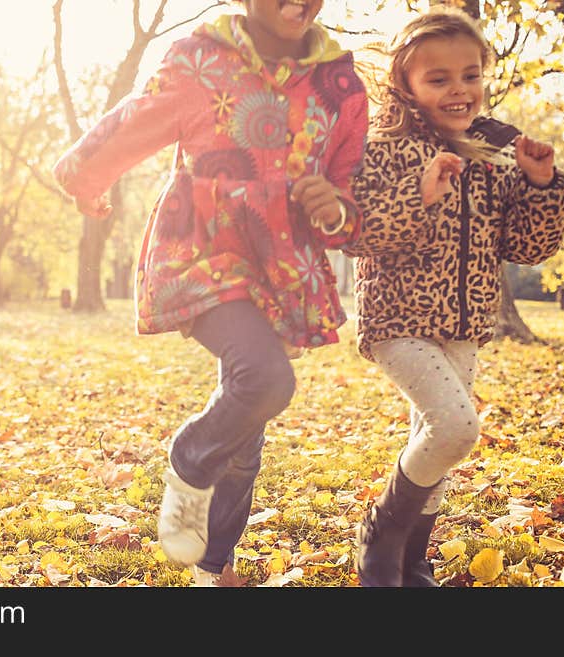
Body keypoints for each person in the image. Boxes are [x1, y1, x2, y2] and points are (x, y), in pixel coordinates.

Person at [53, 0, 368, 585]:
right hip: (203, 252)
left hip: (283, 267)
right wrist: (86, 177)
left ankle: (211, 568)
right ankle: (189, 457)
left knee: (247, 437)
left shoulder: (339, 83)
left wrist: (335, 208)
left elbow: (350, 191)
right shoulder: (204, 58)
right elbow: (137, 117)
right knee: (266, 380)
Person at [344, 5, 564, 587]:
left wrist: (542, 185)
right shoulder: (385, 146)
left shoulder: (493, 151)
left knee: (434, 437)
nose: (458, 90)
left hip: (466, 321)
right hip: (398, 319)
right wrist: (419, 196)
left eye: (470, 75)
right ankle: (381, 534)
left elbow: (527, 245)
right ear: (406, 83)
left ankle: (412, 559)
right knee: (455, 427)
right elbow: (358, 233)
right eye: (438, 78)